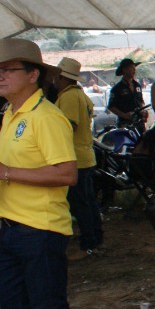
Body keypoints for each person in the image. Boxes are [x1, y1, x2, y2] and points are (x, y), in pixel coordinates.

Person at [0, 38, 90, 309]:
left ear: (33, 75)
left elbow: (66, 174)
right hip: (11, 226)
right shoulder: (11, 113)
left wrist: (4, 172)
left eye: (7, 70)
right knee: (15, 305)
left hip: (41, 230)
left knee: (48, 308)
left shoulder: (46, 117)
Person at [52, 58, 104, 259]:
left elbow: (70, 125)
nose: (54, 80)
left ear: (63, 78)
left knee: (81, 204)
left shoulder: (69, 97)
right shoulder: (79, 94)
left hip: (76, 157)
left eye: (57, 77)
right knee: (88, 201)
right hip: (85, 155)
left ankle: (88, 243)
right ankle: (95, 238)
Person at [108, 57, 146, 132]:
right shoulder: (117, 88)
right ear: (124, 70)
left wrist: (143, 110)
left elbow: (141, 101)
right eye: (132, 68)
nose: (134, 70)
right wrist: (124, 115)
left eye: (134, 68)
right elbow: (111, 106)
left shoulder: (137, 86)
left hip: (139, 122)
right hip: (125, 124)